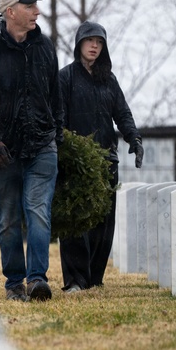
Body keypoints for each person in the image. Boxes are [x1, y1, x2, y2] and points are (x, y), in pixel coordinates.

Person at [0, 0, 61, 302]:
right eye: (29, 6)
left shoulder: (45, 48)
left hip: (42, 146)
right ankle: (14, 283)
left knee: (38, 212)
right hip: (3, 152)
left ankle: (37, 280)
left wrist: (58, 136)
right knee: (8, 219)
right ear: (10, 12)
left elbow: (55, 97)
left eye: (36, 6)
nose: (37, 11)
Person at [58, 21, 143, 292]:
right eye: (90, 40)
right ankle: (75, 280)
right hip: (76, 163)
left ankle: (94, 279)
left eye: (100, 42)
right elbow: (58, 118)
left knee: (103, 224)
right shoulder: (65, 78)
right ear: (79, 43)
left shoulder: (109, 80)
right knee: (75, 222)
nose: (94, 46)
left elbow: (123, 114)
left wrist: (134, 139)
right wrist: (65, 151)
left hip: (107, 161)